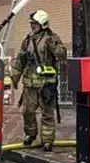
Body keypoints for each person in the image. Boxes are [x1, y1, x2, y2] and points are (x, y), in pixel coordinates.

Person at [10, 10, 67, 151]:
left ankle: (47, 141)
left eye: (35, 23)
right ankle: (30, 135)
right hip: (30, 85)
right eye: (31, 23)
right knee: (27, 111)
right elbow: (20, 60)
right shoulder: (27, 40)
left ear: (43, 23)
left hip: (46, 85)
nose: (32, 26)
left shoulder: (52, 38)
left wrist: (52, 45)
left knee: (47, 114)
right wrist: (15, 78)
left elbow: (62, 55)